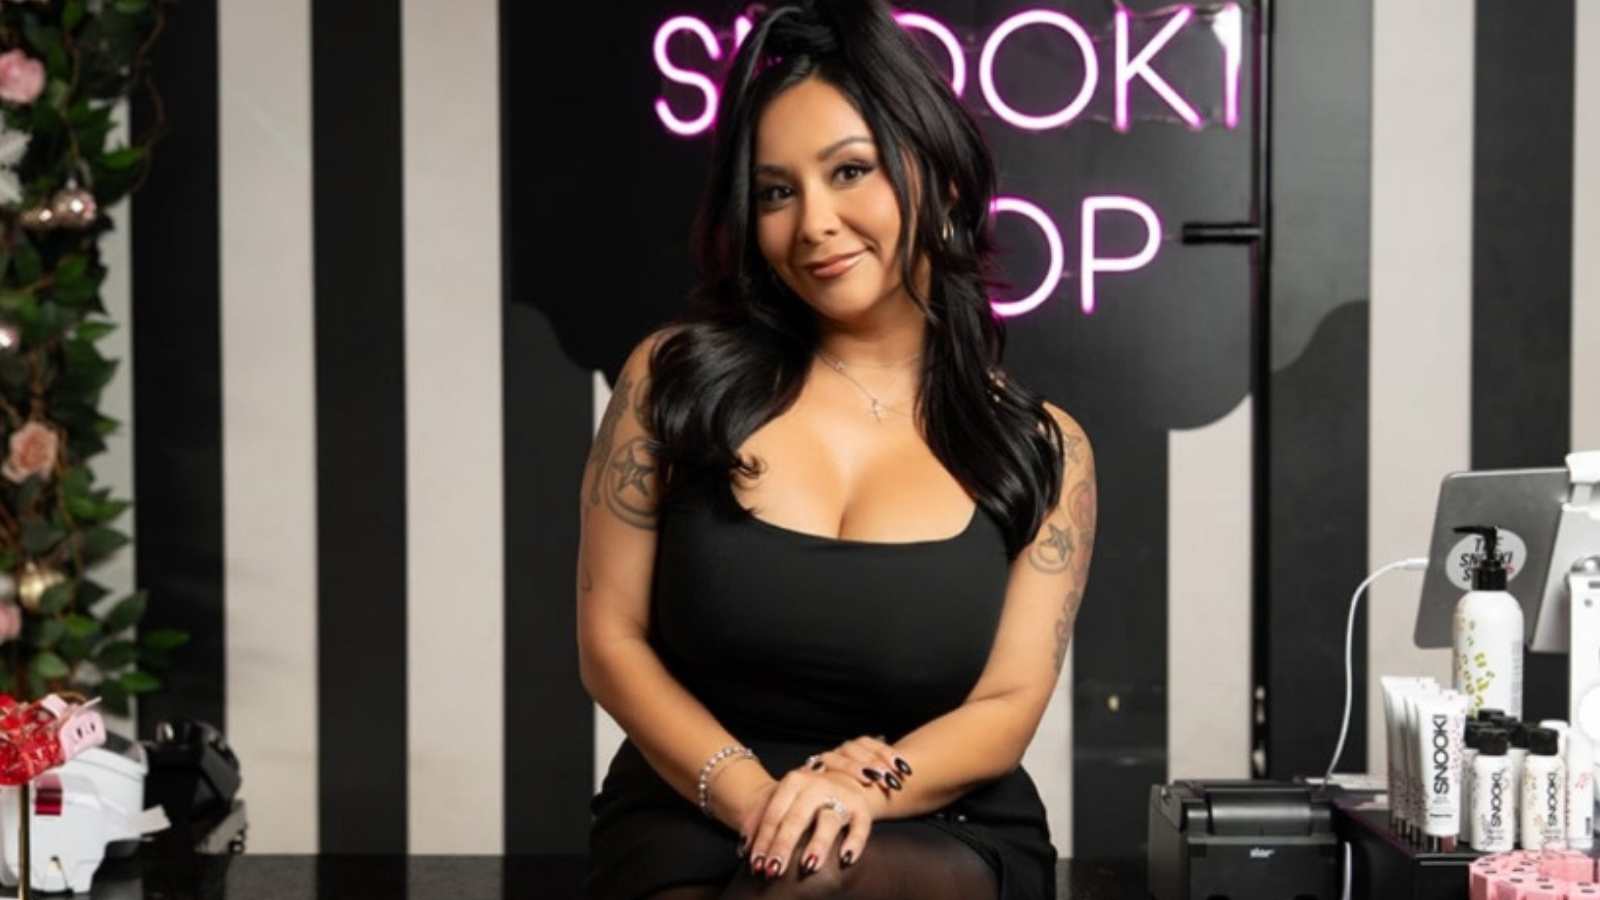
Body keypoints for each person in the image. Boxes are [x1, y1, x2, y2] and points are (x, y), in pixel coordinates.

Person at [578, 2, 1096, 897]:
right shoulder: (672, 382)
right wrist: (757, 798)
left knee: (820, 877)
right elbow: (610, 641)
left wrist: (858, 788)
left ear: (940, 176)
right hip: (691, 805)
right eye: (776, 192)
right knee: (793, 868)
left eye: (850, 171)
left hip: (931, 820)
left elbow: (1008, 704)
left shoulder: (1041, 449)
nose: (813, 222)